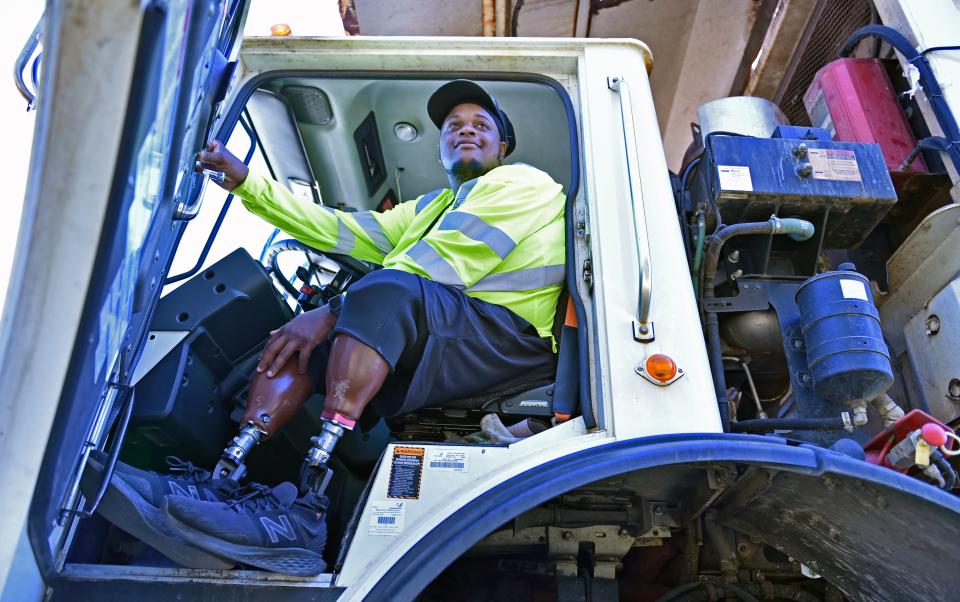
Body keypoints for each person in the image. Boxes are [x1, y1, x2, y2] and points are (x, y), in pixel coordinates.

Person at [83, 80, 566, 576]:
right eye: (453, 127)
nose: (466, 131)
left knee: (381, 295)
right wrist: (247, 181)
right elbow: (342, 231)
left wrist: (333, 312)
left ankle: (306, 511)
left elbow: (439, 264)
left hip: (508, 346)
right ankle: (224, 478)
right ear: (441, 145)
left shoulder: (524, 183)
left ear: (502, 146)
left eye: (480, 125)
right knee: (292, 342)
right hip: (453, 338)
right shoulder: (429, 209)